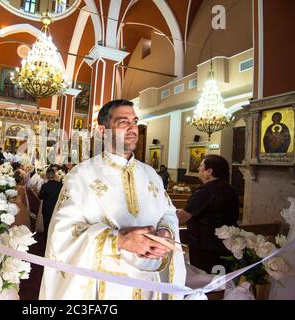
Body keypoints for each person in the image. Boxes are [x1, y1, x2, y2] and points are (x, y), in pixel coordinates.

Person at [39, 100, 186, 300]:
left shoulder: (151, 174)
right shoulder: (82, 175)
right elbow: (62, 233)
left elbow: (168, 213)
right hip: (105, 284)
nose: (133, 128)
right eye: (123, 122)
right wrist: (119, 240)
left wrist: (165, 232)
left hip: (150, 283)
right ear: (102, 130)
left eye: (134, 121)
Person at [177, 154, 239, 274]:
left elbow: (183, 217)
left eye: (201, 166)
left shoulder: (205, 191)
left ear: (209, 171)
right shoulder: (230, 189)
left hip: (206, 246)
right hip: (227, 245)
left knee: (205, 282)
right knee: (221, 283)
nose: (198, 169)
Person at [38, 168, 63, 235]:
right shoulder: (60, 185)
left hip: (47, 209)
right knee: (56, 225)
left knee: (47, 225)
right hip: (57, 208)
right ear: (54, 175)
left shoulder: (44, 186)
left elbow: (40, 197)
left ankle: (46, 240)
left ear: (46, 176)